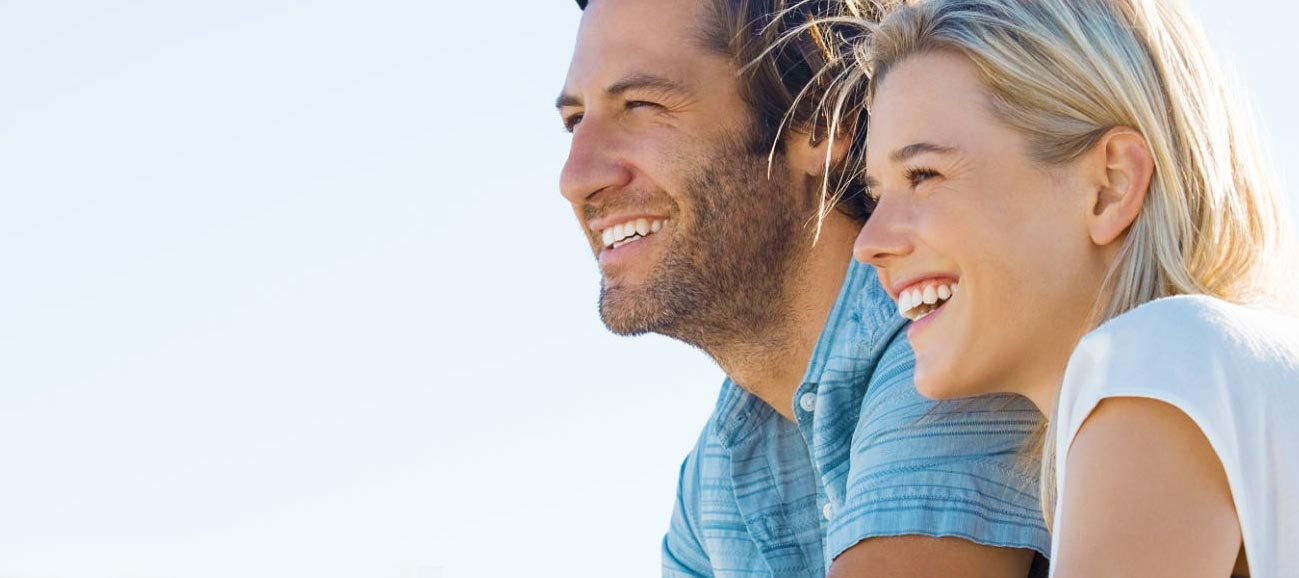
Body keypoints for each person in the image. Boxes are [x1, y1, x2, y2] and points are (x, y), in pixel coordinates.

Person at [555, 0, 1052, 575]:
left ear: (817, 120)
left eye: (641, 105)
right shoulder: (721, 462)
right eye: (573, 122)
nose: (576, 178)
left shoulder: (946, 345)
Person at [845, 0, 1299, 576]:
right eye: (877, 193)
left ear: (1110, 185)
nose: (870, 242)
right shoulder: (1205, 373)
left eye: (924, 175)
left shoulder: (1154, 363)